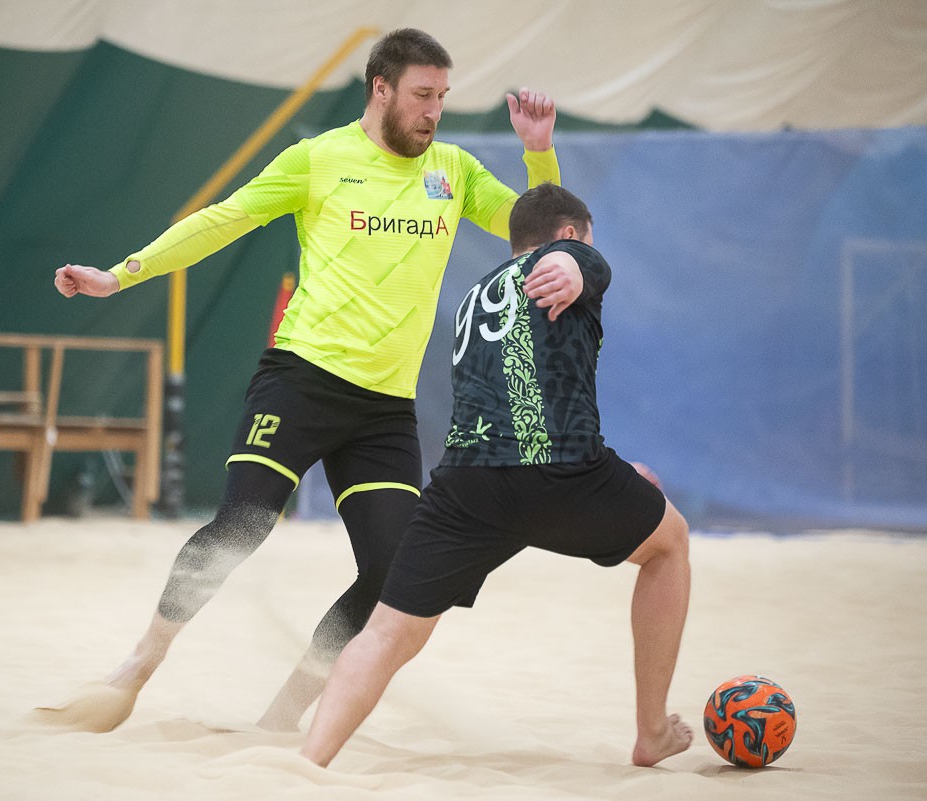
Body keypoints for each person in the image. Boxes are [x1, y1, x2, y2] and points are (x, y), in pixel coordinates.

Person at [42, 28, 564, 733]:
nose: (434, 111)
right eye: (422, 95)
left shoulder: (454, 171)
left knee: (393, 571)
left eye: (442, 96)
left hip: (384, 409)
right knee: (243, 523)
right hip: (302, 380)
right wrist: (120, 275)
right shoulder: (319, 159)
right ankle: (138, 664)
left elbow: (541, 231)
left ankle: (280, 720)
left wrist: (538, 150)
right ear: (381, 88)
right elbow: (223, 220)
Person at [299, 183, 693, 768]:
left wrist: (618, 472)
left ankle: (308, 763)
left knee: (384, 634)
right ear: (568, 233)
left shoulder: (475, 294)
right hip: (559, 472)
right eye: (582, 241)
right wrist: (574, 265)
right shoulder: (569, 258)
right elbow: (582, 264)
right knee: (670, 544)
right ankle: (651, 732)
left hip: (465, 484)